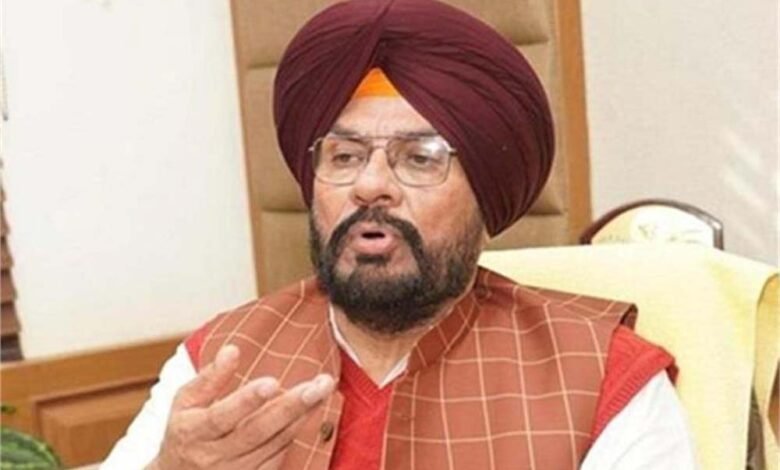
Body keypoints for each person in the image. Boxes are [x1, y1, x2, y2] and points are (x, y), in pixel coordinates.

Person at [103, 0, 698, 468]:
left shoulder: (602, 377)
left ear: (484, 198)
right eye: (344, 156)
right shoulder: (218, 361)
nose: (371, 186)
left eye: (419, 158)